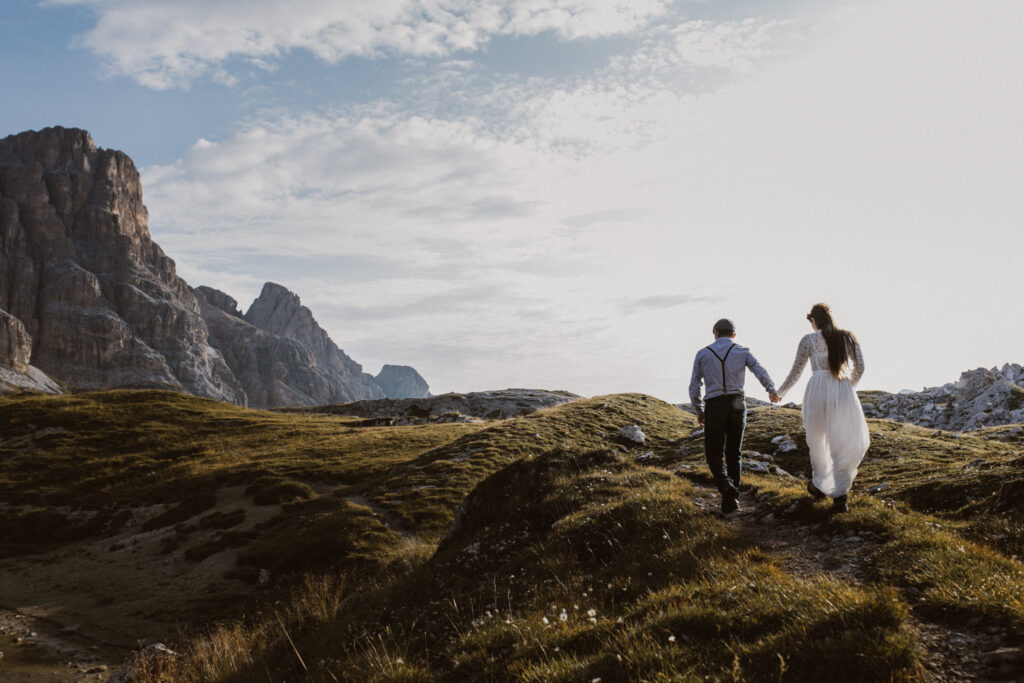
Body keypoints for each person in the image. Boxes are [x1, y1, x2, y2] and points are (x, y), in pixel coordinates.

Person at [775, 303, 870, 513]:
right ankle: (840, 496)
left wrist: (780, 392)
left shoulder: (808, 340)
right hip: (842, 387)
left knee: (818, 439)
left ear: (813, 321)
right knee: (843, 438)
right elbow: (860, 367)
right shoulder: (848, 337)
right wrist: (847, 387)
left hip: (817, 388)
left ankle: (820, 485)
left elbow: (796, 371)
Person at [689, 318, 780, 515]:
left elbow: (694, 384)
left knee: (713, 453)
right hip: (738, 404)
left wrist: (698, 409)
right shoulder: (742, 351)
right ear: (733, 334)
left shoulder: (703, 353)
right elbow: (759, 371)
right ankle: (731, 501)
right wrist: (771, 390)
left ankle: (724, 484)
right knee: (734, 453)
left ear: (715, 332)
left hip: (714, 405)